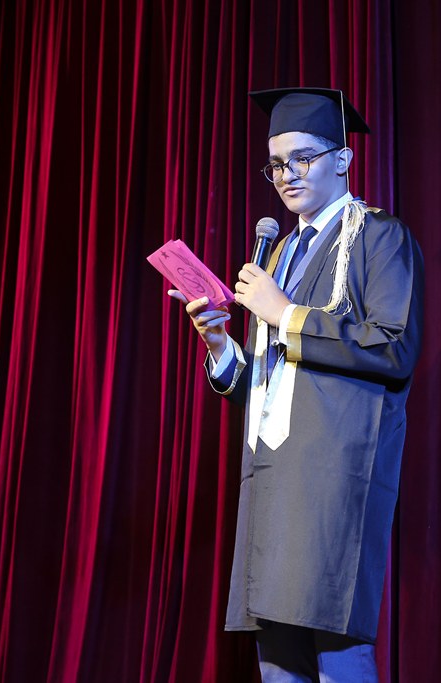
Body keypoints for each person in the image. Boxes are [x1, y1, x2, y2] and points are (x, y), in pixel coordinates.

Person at [168, 87, 424, 682]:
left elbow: (393, 346)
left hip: (333, 472)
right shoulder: (279, 253)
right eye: (277, 164)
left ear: (343, 159)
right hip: (269, 472)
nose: (288, 175)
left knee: (335, 652)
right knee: (278, 659)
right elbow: (270, 385)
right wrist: (219, 345)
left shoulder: (378, 236)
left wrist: (283, 313)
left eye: (303, 158)